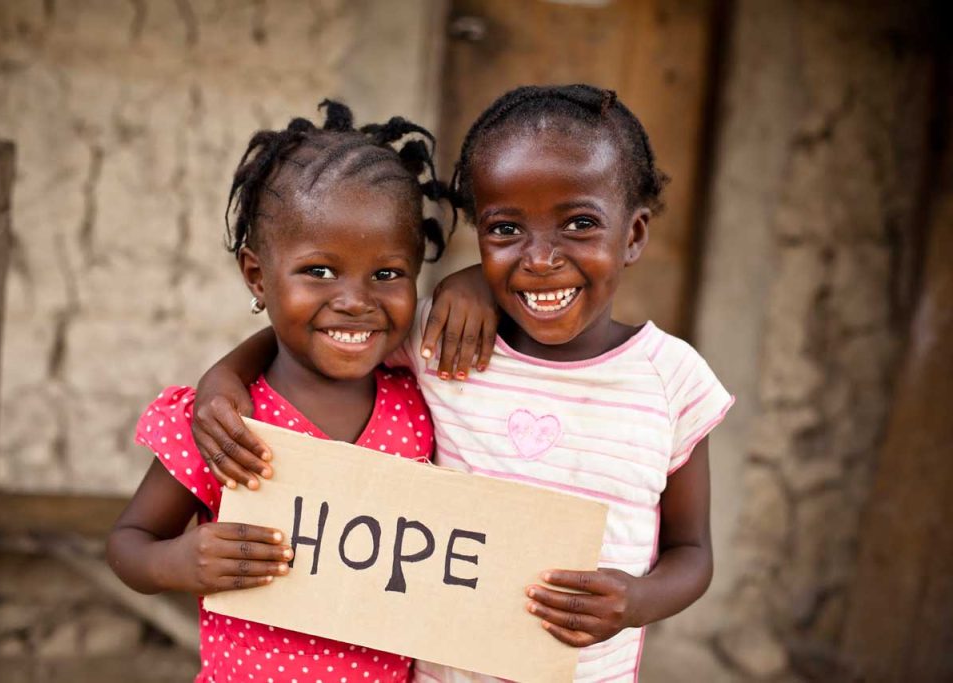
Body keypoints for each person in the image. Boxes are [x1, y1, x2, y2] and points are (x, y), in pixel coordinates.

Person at [190, 84, 734, 682]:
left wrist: (638, 601)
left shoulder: (671, 381)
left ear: (632, 235)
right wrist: (225, 376)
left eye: (579, 224)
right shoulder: (444, 343)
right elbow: (320, 329)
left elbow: (693, 554)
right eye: (506, 230)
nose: (541, 259)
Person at [106, 100, 449, 683]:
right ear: (257, 276)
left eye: (387, 274)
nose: (354, 300)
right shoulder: (224, 424)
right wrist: (175, 562)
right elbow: (128, 543)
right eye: (319, 271)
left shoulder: (424, 407)